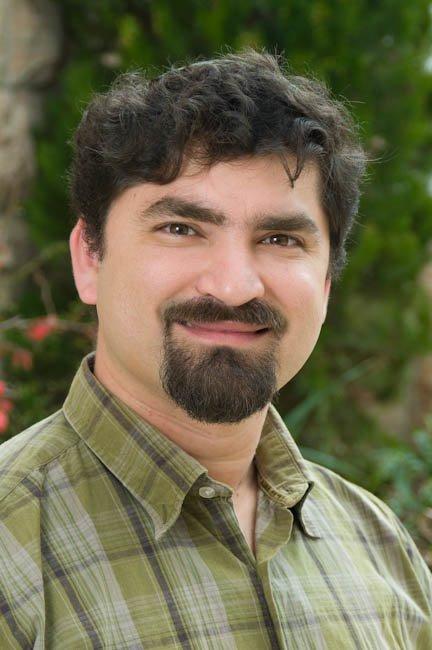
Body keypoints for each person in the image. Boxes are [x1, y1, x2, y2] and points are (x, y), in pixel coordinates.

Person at [0, 49, 431, 650]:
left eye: (280, 239)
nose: (234, 286)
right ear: (90, 259)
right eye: (181, 229)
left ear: (327, 283)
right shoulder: (10, 555)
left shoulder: (381, 549)